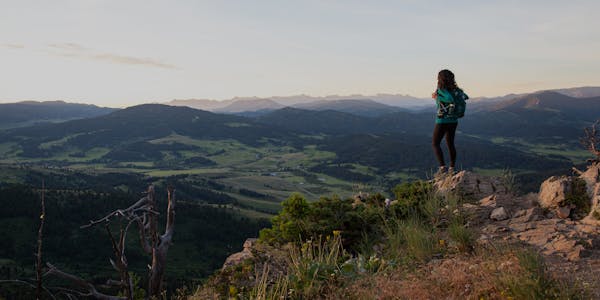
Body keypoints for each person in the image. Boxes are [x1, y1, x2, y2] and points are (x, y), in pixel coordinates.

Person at [431, 69, 468, 176]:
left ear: (440, 79)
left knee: (435, 143)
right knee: (450, 143)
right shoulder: (457, 91)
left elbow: (447, 99)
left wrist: (437, 96)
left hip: (442, 120)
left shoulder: (441, 90)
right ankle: (452, 168)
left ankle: (442, 168)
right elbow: (465, 97)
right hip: (454, 120)